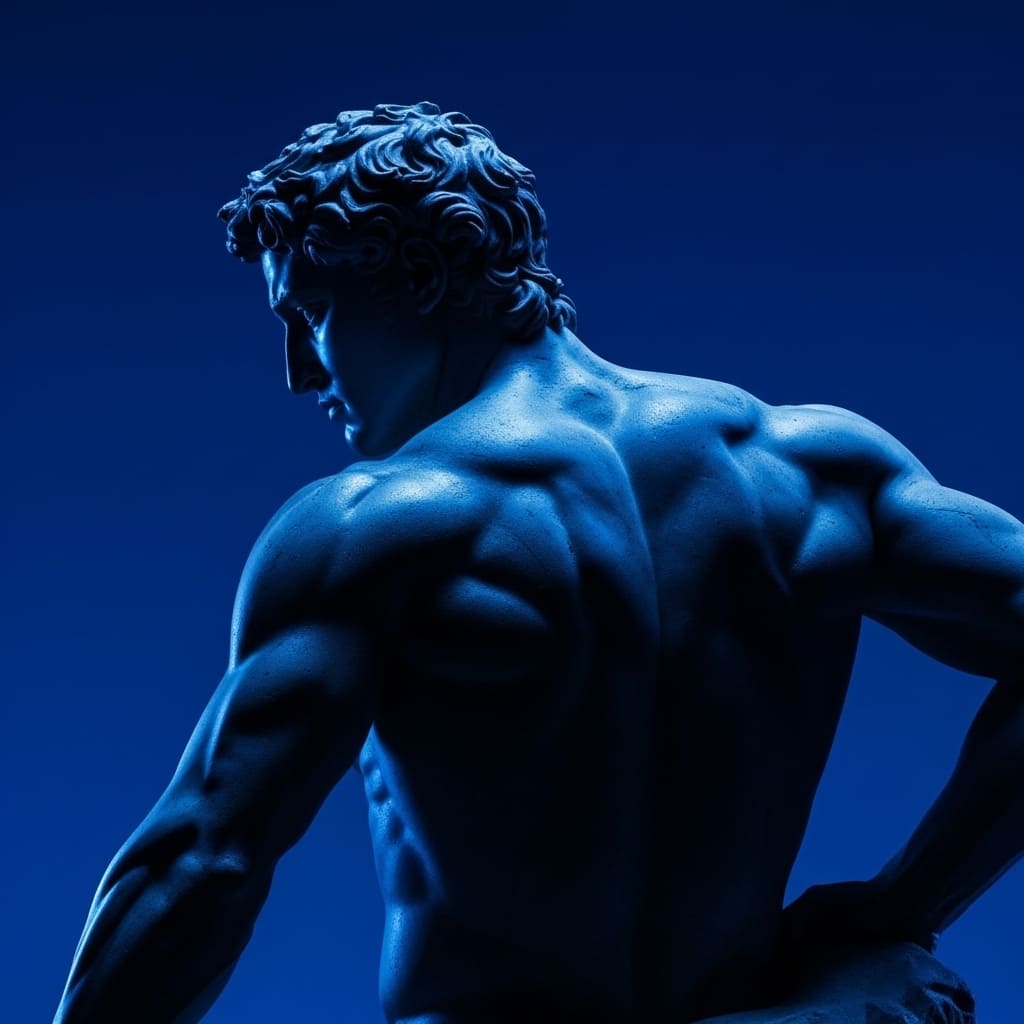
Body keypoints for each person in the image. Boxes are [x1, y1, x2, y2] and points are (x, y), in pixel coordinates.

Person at [54, 101, 1020, 1024]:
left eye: (311, 311)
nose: (301, 370)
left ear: (423, 278)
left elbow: (201, 864)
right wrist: (907, 902)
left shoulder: (373, 529)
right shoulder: (805, 471)